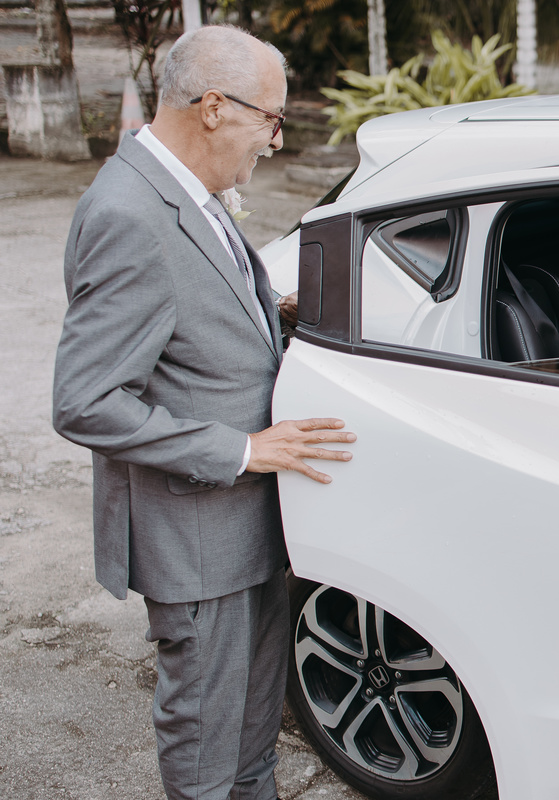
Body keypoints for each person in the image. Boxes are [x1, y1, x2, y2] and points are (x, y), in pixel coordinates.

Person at [51, 25, 355, 800]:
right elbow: (86, 401)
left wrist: (276, 314)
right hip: (197, 539)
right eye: (272, 119)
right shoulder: (128, 213)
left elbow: (190, 323)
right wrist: (245, 452)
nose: (276, 140)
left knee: (252, 746)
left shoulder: (187, 189)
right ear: (214, 107)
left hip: (248, 532)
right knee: (206, 755)